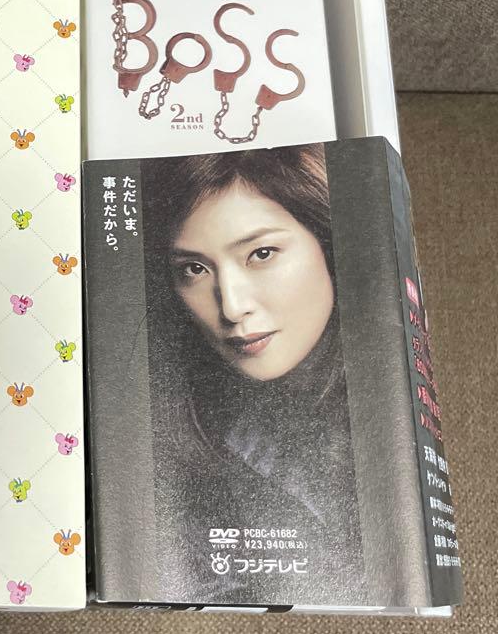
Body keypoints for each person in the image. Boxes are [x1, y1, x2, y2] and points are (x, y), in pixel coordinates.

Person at [141, 144, 363, 603]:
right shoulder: (187, 432)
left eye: (261, 253)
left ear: (328, 244)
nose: (232, 305)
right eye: (194, 269)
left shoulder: (381, 407)